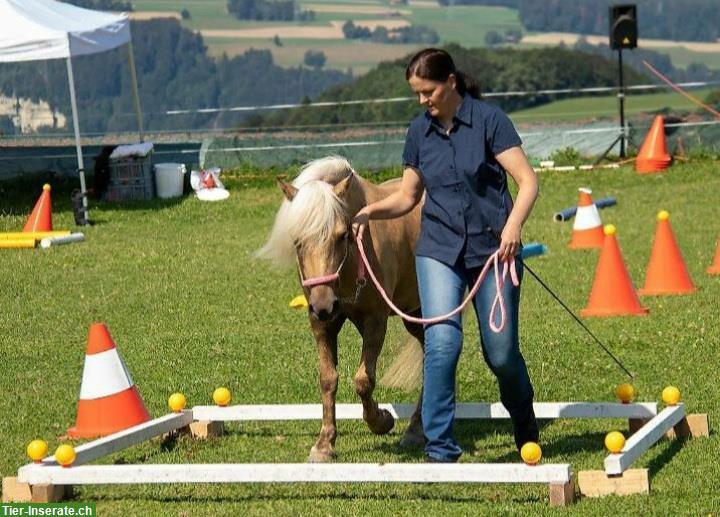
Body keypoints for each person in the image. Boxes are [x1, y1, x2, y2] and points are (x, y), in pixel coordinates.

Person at [351, 48, 539, 463]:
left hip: (494, 251)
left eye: (428, 91)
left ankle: (524, 422)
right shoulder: (419, 133)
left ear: (451, 82)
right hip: (438, 250)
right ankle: (439, 447)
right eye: (417, 94)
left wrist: (513, 228)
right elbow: (407, 196)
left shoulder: (491, 122)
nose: (423, 101)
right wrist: (367, 211)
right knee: (442, 344)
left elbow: (527, 183)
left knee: (502, 354)